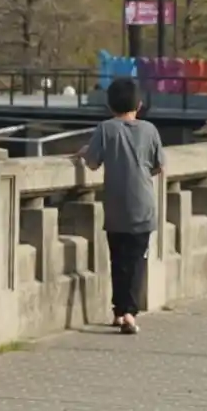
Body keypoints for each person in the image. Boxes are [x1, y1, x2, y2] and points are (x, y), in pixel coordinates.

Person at [77, 77, 164, 335]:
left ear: (109, 105)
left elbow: (92, 163)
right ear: (139, 104)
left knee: (118, 260)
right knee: (137, 261)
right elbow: (159, 165)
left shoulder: (105, 129)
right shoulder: (150, 130)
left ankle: (119, 311)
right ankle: (129, 312)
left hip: (116, 208)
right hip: (144, 207)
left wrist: (84, 152)